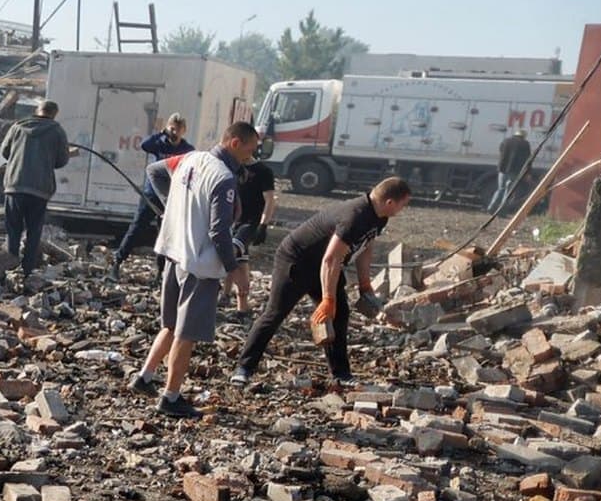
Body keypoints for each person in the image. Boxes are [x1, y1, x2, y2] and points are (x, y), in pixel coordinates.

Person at [124, 121, 260, 418]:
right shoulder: (223, 177)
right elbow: (218, 231)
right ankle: (171, 397)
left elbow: (155, 171)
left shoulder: (190, 158)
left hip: (173, 252)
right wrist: (234, 268)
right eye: (251, 148)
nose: (253, 155)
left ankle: (144, 378)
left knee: (171, 325)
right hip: (199, 264)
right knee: (186, 334)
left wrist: (171, 206)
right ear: (236, 142)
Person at [230, 175, 414, 390]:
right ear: (390, 202)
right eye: (403, 204)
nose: (403, 210)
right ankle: (243, 369)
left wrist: (365, 284)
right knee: (275, 314)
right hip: (296, 262)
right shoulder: (355, 216)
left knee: (340, 314)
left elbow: (366, 246)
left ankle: (341, 374)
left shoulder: (379, 217)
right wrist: (327, 299)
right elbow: (331, 258)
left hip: (325, 267)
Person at [0, 100, 75, 275]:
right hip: (39, 189)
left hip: (15, 186)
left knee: (13, 229)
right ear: (54, 113)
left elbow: (5, 152)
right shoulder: (57, 131)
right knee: (34, 231)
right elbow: (61, 161)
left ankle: (10, 267)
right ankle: (27, 270)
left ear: (37, 110)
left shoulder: (17, 127)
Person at [112, 115, 194, 273]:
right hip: (152, 194)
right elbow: (144, 145)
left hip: (172, 197)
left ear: (184, 131)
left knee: (165, 235)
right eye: (172, 128)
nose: (175, 132)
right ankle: (118, 261)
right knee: (137, 227)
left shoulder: (187, 150)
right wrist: (161, 133)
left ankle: (161, 272)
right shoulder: (159, 143)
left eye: (179, 129)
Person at [226, 158, 277, 312]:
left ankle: (226, 295)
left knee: (231, 253)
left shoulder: (263, 171)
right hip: (232, 221)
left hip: (250, 223)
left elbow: (270, 200)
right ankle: (238, 304)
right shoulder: (233, 167)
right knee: (241, 260)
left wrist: (263, 225)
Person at [490, 128, 531, 212]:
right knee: (508, 192)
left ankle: (491, 207)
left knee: (500, 189)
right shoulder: (525, 144)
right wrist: (528, 172)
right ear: (523, 136)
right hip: (514, 171)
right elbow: (528, 159)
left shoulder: (506, 141)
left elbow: (501, 150)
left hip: (502, 169)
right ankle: (501, 211)